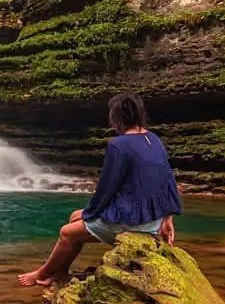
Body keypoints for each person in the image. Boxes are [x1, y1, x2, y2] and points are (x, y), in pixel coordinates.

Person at [18, 92, 182, 287]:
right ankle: (61, 271)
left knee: (67, 232)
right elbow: (168, 180)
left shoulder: (119, 145)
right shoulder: (153, 139)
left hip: (132, 222)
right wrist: (167, 218)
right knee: (74, 216)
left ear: (116, 117)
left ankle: (42, 272)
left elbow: (106, 189)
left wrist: (91, 213)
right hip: (153, 219)